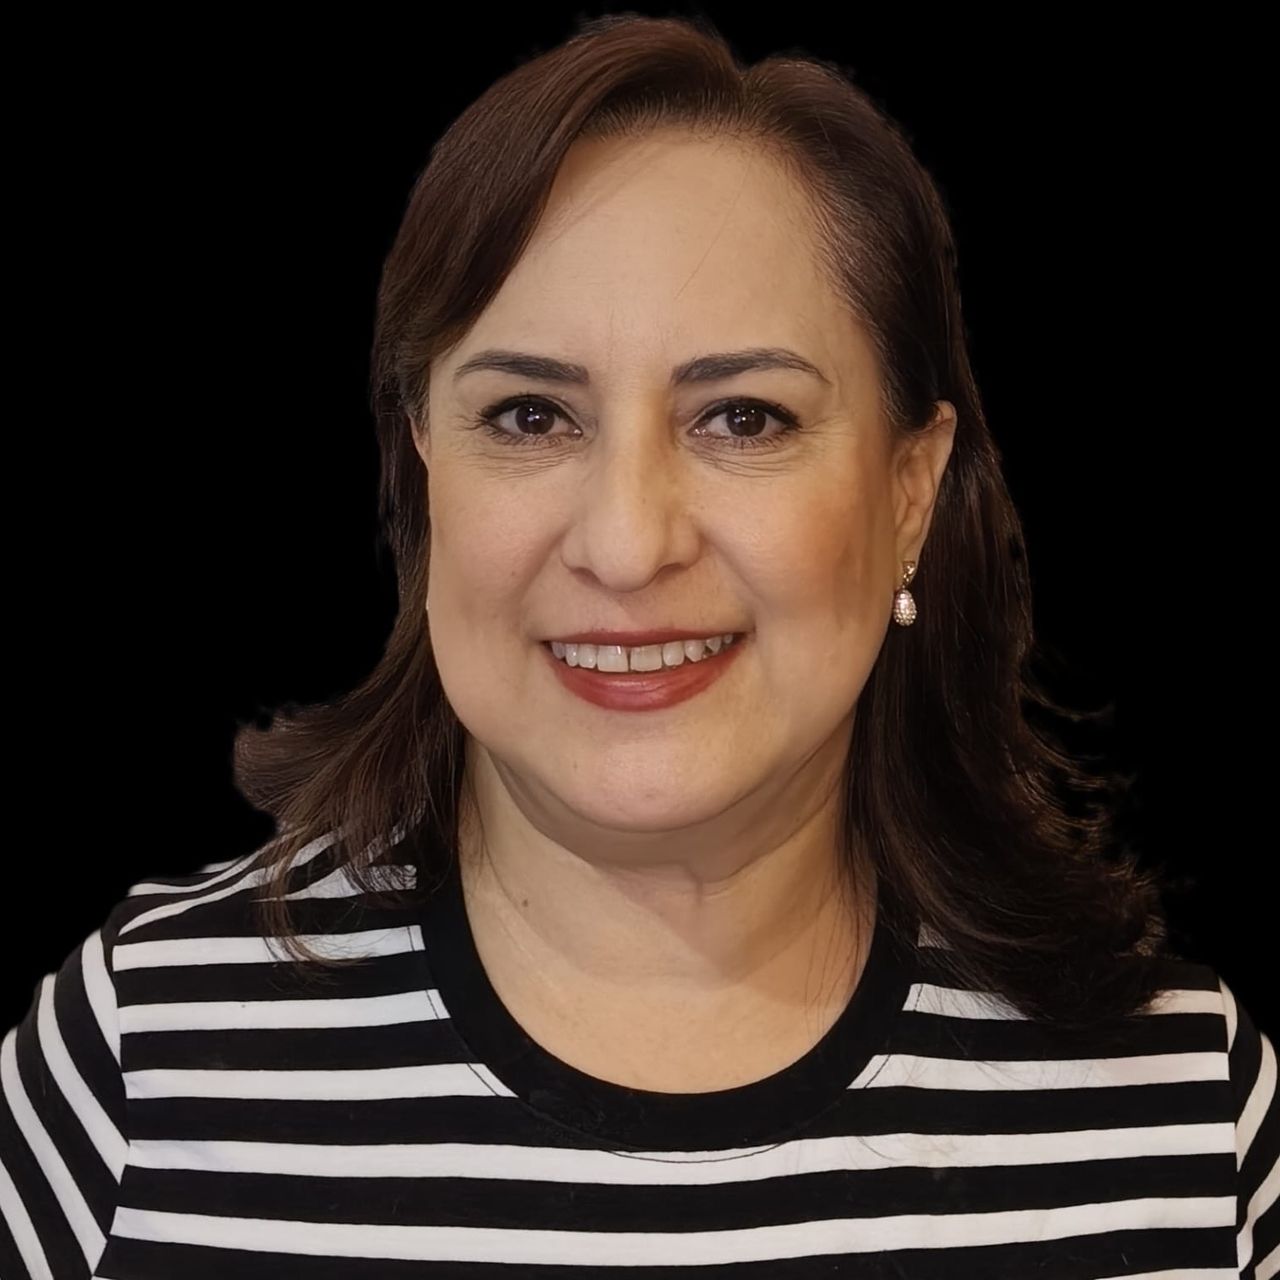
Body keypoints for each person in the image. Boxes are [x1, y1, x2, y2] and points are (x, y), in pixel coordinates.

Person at [3, 14, 1275, 1278]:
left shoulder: (1181, 1108)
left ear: (907, 493)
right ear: (425, 466)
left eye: (742, 417)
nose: (624, 543)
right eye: (530, 414)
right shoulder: (138, 1056)